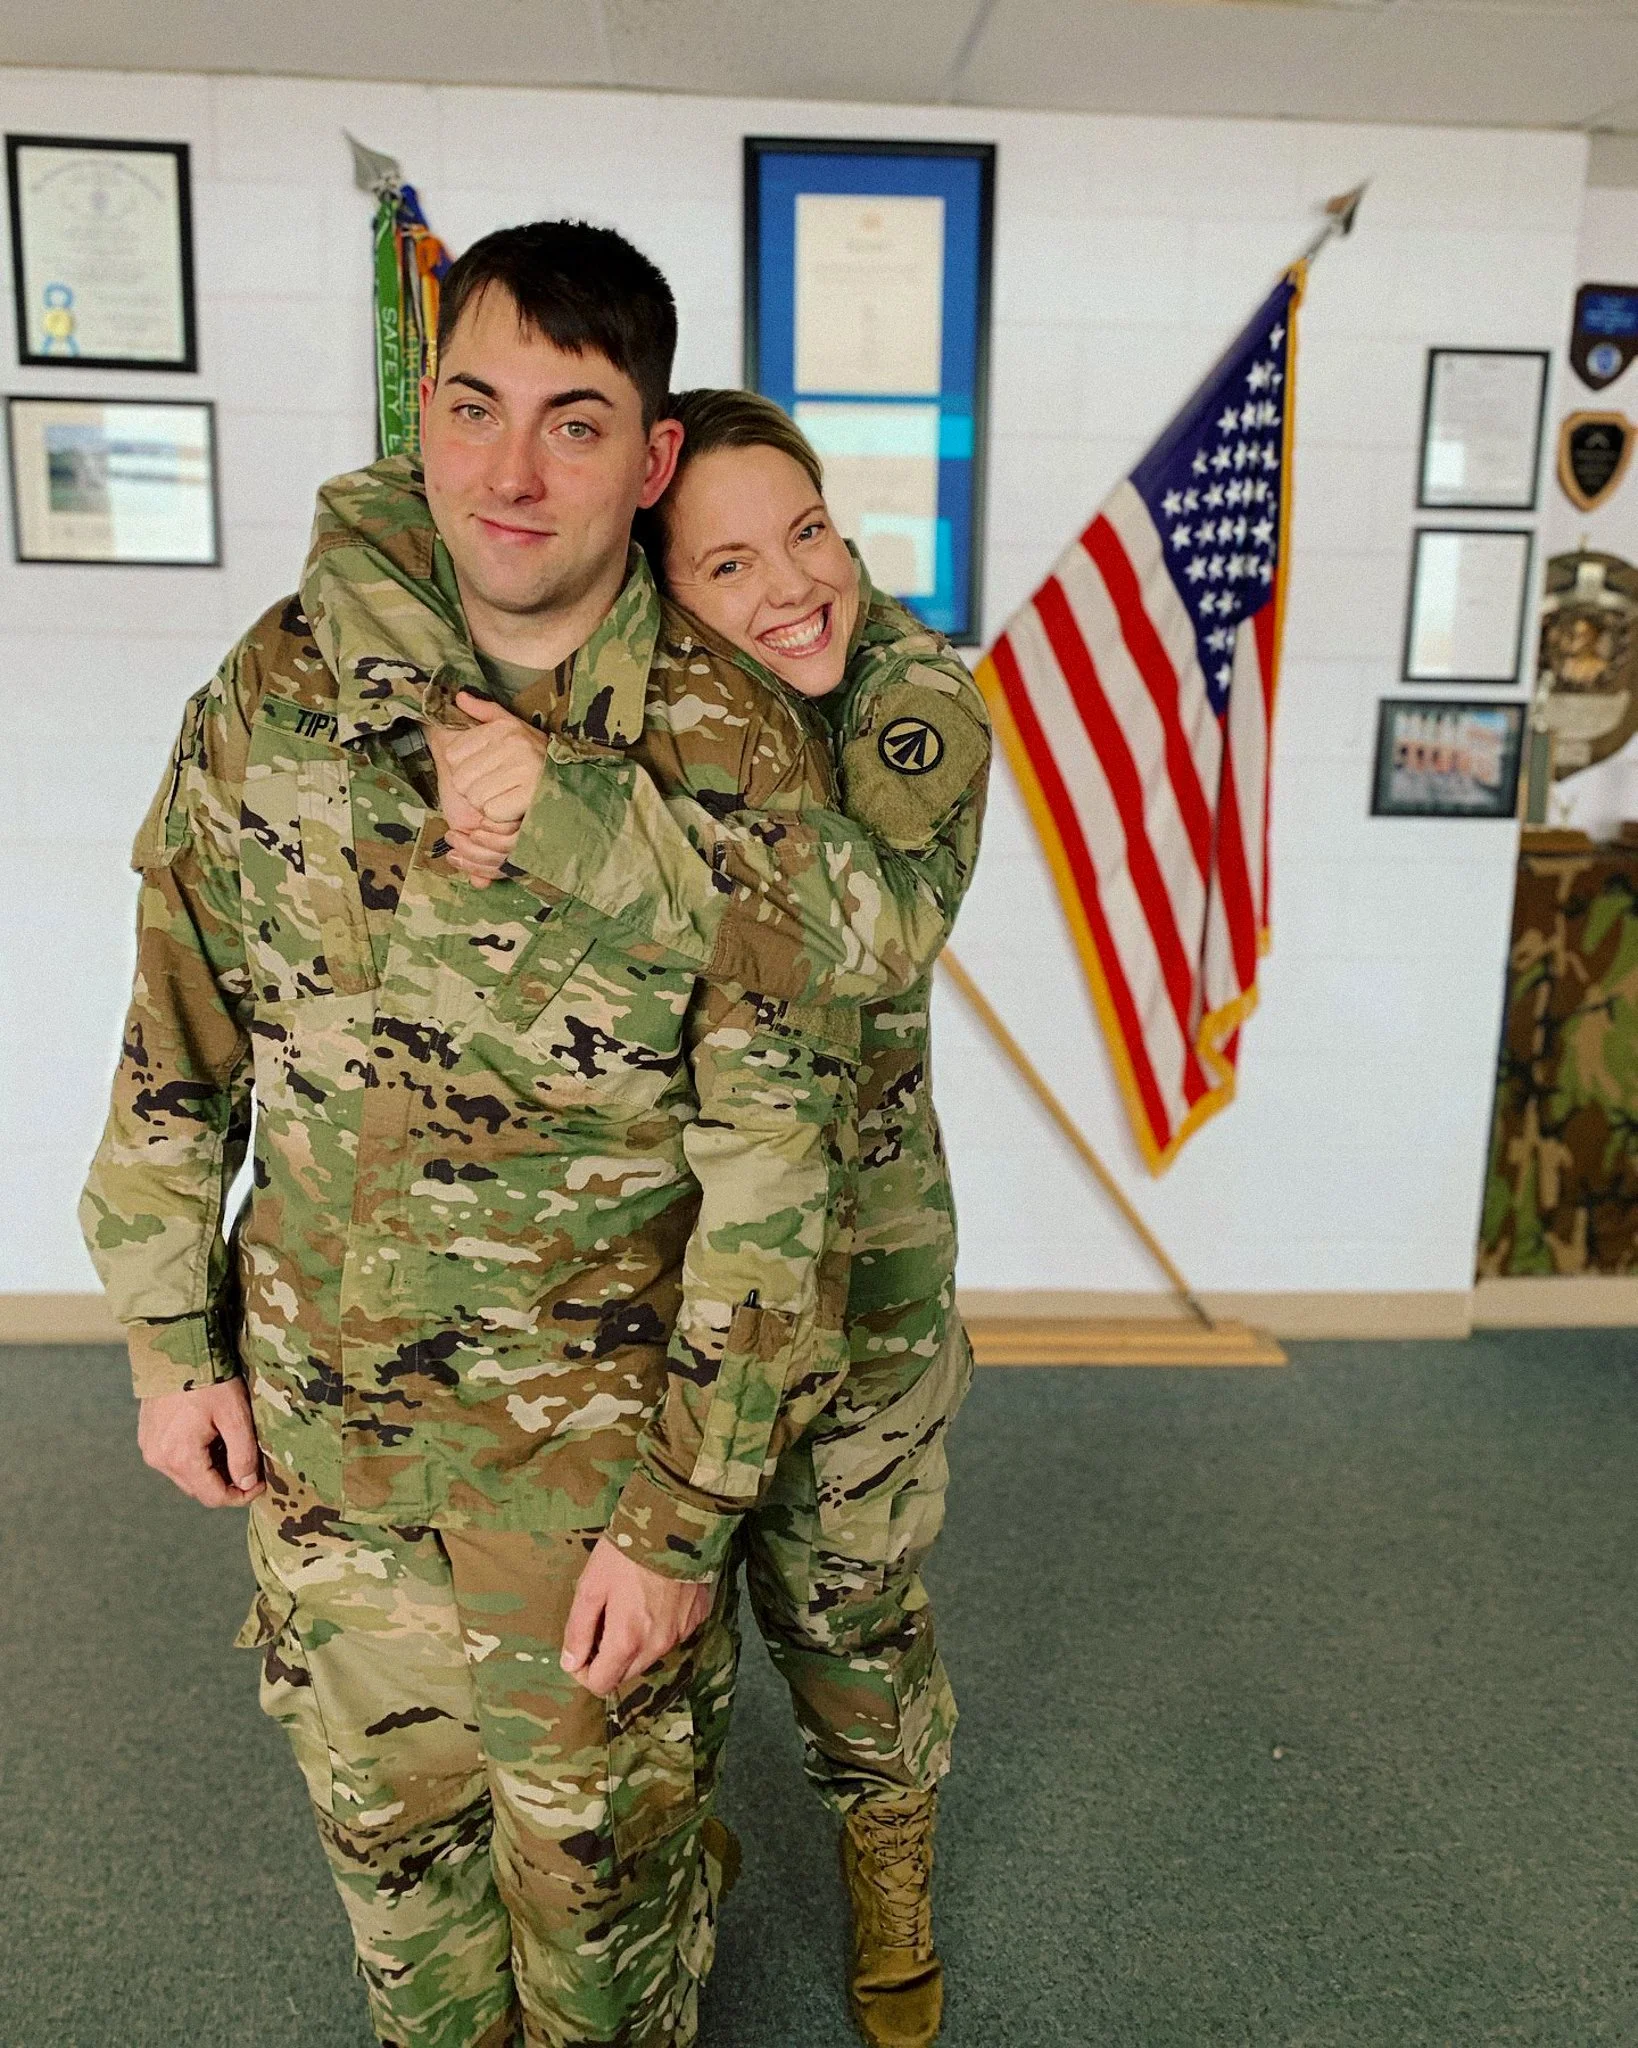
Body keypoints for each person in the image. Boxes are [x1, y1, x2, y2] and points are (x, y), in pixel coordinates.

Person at [81, 221, 871, 2048]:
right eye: (474, 405)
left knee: (604, 1964)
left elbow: (777, 1185)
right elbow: (177, 1020)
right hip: (328, 1476)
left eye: (576, 421)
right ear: (420, 414)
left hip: (588, 1507)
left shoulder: (729, 756)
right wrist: (163, 1339)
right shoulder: (284, 689)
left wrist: (683, 1525)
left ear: (654, 459)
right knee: (409, 1950)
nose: (510, 473)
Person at [300, 389, 991, 2048]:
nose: (793, 589)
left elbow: (870, 928)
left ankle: (885, 1867)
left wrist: (576, 817)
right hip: (671, 1284)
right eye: (733, 561)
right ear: (655, 584)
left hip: (859, 1268)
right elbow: (402, 532)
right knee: (657, 1637)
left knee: (847, 1611)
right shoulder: (628, 711)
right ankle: (674, 1865)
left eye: (811, 534)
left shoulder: (911, 701)